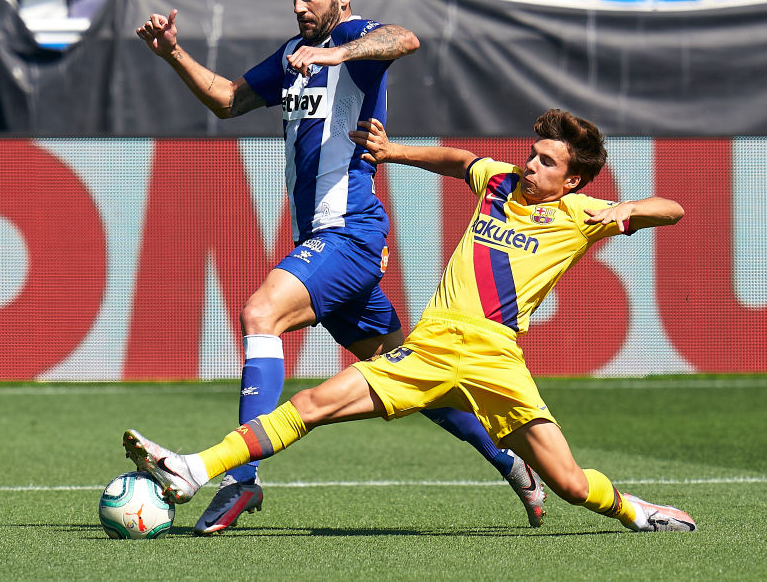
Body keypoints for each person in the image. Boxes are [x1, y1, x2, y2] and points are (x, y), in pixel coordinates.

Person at [123, 108, 697, 533]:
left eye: (546, 161)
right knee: (310, 405)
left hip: (495, 360)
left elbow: (672, 209)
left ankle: (637, 511)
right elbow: (458, 160)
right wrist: (395, 153)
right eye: (532, 152)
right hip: (427, 350)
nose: (530, 164)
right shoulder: (500, 183)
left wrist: (628, 209)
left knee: (571, 485)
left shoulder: (582, 214)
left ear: (571, 180)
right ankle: (192, 470)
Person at [134, 0, 546, 534]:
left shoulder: (358, 42)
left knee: (260, 314)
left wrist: (340, 55)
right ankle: (512, 464)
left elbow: (405, 39)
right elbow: (228, 101)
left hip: (350, 232)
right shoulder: (292, 55)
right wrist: (173, 52)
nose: (301, 6)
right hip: (329, 238)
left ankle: (239, 483)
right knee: (409, 372)